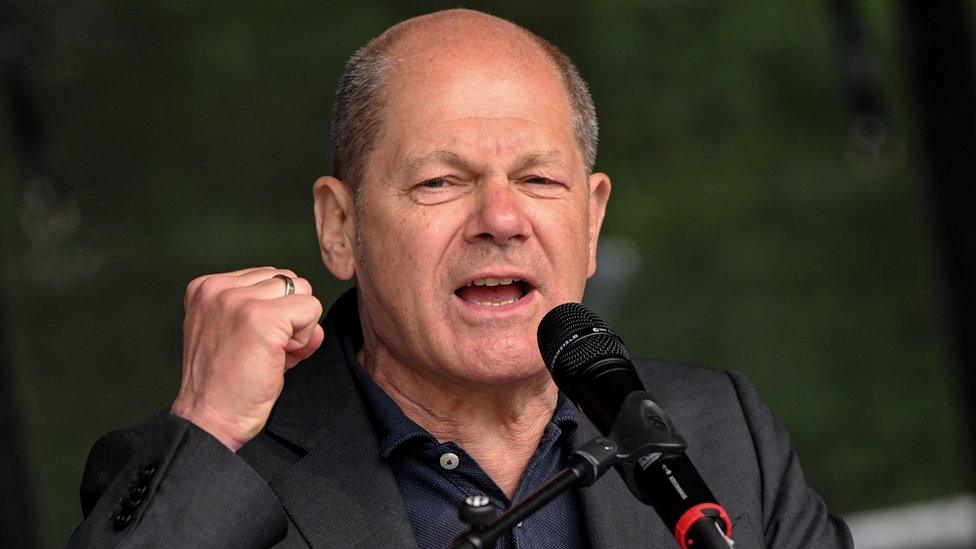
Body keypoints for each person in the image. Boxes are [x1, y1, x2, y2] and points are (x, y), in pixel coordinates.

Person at [67, 8, 853, 549]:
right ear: (340, 228)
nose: (501, 218)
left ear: (592, 219)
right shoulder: (213, 478)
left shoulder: (719, 432)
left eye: (540, 180)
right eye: (441, 182)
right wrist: (204, 427)